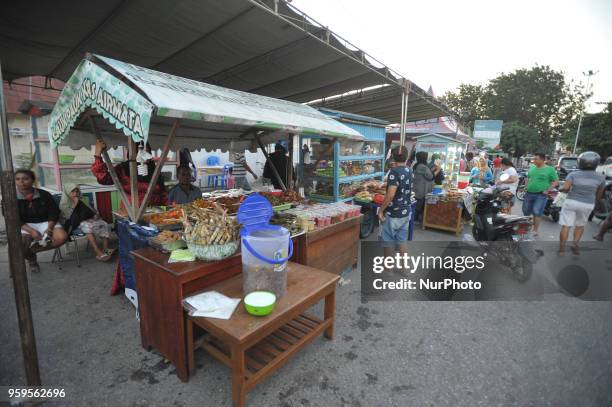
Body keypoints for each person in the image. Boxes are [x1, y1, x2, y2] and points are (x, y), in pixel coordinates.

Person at [16, 169, 68, 272]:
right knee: (21, 245)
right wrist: (32, 231)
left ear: (33, 180)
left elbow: (53, 212)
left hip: (46, 221)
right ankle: (32, 260)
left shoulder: (44, 194)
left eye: (25, 179)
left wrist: (49, 228)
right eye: (18, 179)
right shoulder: (11, 197)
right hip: (25, 224)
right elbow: (13, 219)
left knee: (62, 237)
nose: (21, 182)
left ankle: (34, 250)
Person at [92, 140, 167, 208]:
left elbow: (163, 193)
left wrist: (169, 207)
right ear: (133, 154)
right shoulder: (123, 169)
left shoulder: (153, 168)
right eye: (141, 153)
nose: (144, 157)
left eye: (147, 153)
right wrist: (98, 155)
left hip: (153, 213)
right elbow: (103, 178)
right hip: (130, 213)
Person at [557, 151, 605, 254]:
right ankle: (574, 244)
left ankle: (561, 249)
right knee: (580, 226)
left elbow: (566, 189)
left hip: (571, 202)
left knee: (566, 226)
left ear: (580, 162)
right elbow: (599, 195)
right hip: (587, 204)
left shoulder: (573, 174)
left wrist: (560, 189)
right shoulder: (601, 177)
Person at [59, 183, 115, 261]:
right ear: (68, 192)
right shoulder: (64, 204)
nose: (75, 194)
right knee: (88, 227)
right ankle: (98, 253)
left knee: (104, 224)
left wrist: (96, 214)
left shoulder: (82, 199)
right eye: (73, 192)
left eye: (77, 191)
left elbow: (91, 210)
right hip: (74, 223)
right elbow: (67, 217)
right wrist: (75, 204)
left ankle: (105, 249)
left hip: (87, 220)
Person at [378, 146, 412, 254]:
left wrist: (381, 210)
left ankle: (388, 268)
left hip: (393, 213)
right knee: (402, 241)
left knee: (388, 241)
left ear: (393, 157)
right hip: (405, 211)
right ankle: (405, 268)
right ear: (406, 157)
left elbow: (390, 196)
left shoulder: (394, 172)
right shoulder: (409, 170)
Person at [522, 152, 559, 236]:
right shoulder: (532, 167)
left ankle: (535, 230)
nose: (533, 160)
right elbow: (527, 177)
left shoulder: (550, 169)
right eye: (533, 159)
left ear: (542, 160)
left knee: (536, 211)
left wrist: (548, 190)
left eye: (536, 159)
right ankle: (526, 227)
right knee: (526, 211)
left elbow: (556, 181)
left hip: (540, 195)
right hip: (528, 193)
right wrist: (526, 186)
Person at [412, 151, 434, 223]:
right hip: (421, 189)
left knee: (415, 204)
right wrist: (437, 169)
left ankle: (414, 219)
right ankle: (415, 220)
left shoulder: (416, 165)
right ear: (424, 158)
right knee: (418, 205)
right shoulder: (423, 167)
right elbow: (430, 176)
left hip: (416, 187)